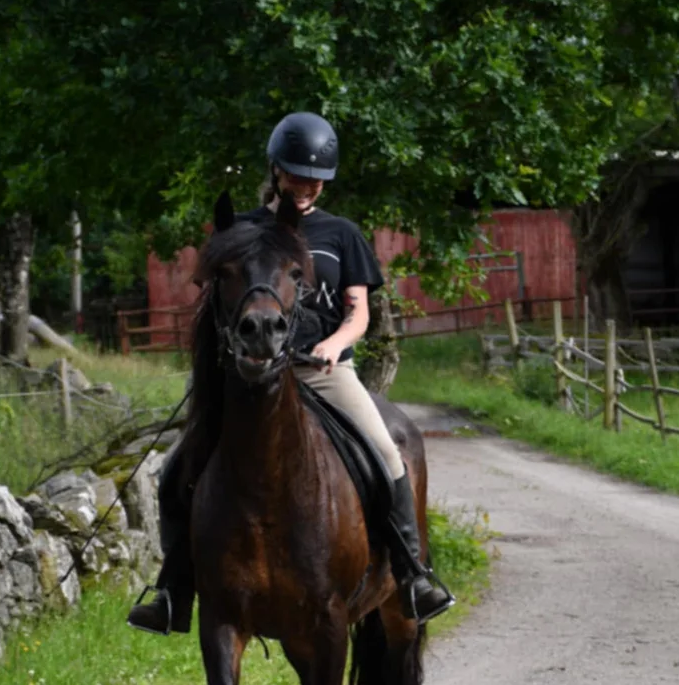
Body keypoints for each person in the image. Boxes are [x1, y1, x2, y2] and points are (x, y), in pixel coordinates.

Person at [128, 111, 454, 635]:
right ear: (276, 171)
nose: (305, 185)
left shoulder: (341, 235)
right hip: (249, 376)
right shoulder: (244, 231)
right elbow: (215, 302)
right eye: (296, 174)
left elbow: (360, 313)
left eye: (315, 178)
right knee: (175, 469)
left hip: (322, 371)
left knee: (390, 453)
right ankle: (173, 590)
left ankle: (413, 575)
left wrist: (333, 344)